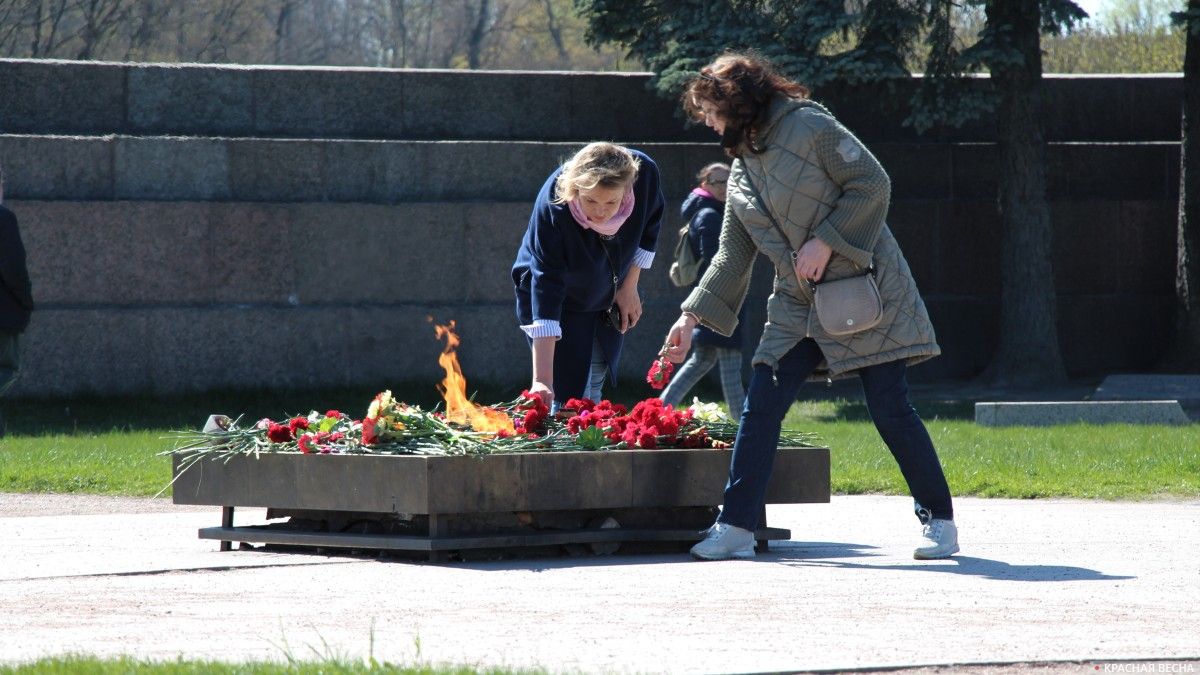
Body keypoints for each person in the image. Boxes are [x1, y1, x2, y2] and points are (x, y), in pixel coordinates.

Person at [662, 52, 958, 561]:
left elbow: (872, 183)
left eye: (711, 111)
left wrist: (827, 239)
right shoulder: (739, 173)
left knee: (890, 409)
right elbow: (733, 256)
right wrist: (690, 317)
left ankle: (940, 522)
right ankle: (735, 526)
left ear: (737, 100)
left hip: (864, 288)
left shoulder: (811, 125)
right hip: (797, 304)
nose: (708, 123)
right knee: (760, 407)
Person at [512, 142, 665, 409]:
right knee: (566, 390)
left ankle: (586, 435)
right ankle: (571, 440)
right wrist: (542, 380)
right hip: (554, 295)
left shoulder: (644, 176)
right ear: (575, 189)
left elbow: (649, 229)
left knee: (594, 373)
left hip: (607, 286)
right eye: (590, 200)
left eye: (612, 201)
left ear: (628, 189)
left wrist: (629, 287)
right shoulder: (554, 207)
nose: (601, 211)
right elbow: (546, 284)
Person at [660, 162, 746, 416]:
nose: (725, 187)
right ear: (705, 184)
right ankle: (745, 425)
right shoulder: (710, 215)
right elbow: (716, 261)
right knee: (730, 364)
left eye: (729, 181)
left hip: (712, 300)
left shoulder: (712, 212)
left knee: (701, 361)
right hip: (719, 300)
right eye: (718, 182)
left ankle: (660, 409)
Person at [0, 163, 34, 437]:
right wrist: (26, 302)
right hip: (2, 318)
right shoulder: (3, 219)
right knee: (7, 369)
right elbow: (13, 268)